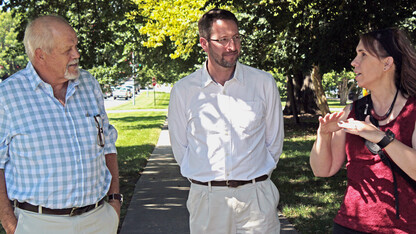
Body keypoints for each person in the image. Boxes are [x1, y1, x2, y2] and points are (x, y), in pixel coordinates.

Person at [0, 15, 122, 234]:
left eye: (75, 46)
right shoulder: (7, 96)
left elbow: (108, 145)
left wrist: (114, 202)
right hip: (39, 224)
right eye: (68, 50)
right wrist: (10, 223)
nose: (76, 54)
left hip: (98, 220)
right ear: (41, 55)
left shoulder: (89, 84)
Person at [168, 8, 284, 233]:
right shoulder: (183, 91)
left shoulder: (263, 83)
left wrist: (255, 180)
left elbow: (274, 143)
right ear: (204, 43)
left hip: (257, 200)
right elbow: (181, 150)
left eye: (236, 37)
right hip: (207, 202)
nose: (232, 46)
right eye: (223, 40)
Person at [310, 28, 416, 233]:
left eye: (363, 54)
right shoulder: (353, 111)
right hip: (350, 225)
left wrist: (380, 137)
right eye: (356, 53)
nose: (354, 62)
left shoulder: (412, 110)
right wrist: (323, 134)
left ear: (387, 63)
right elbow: (322, 170)